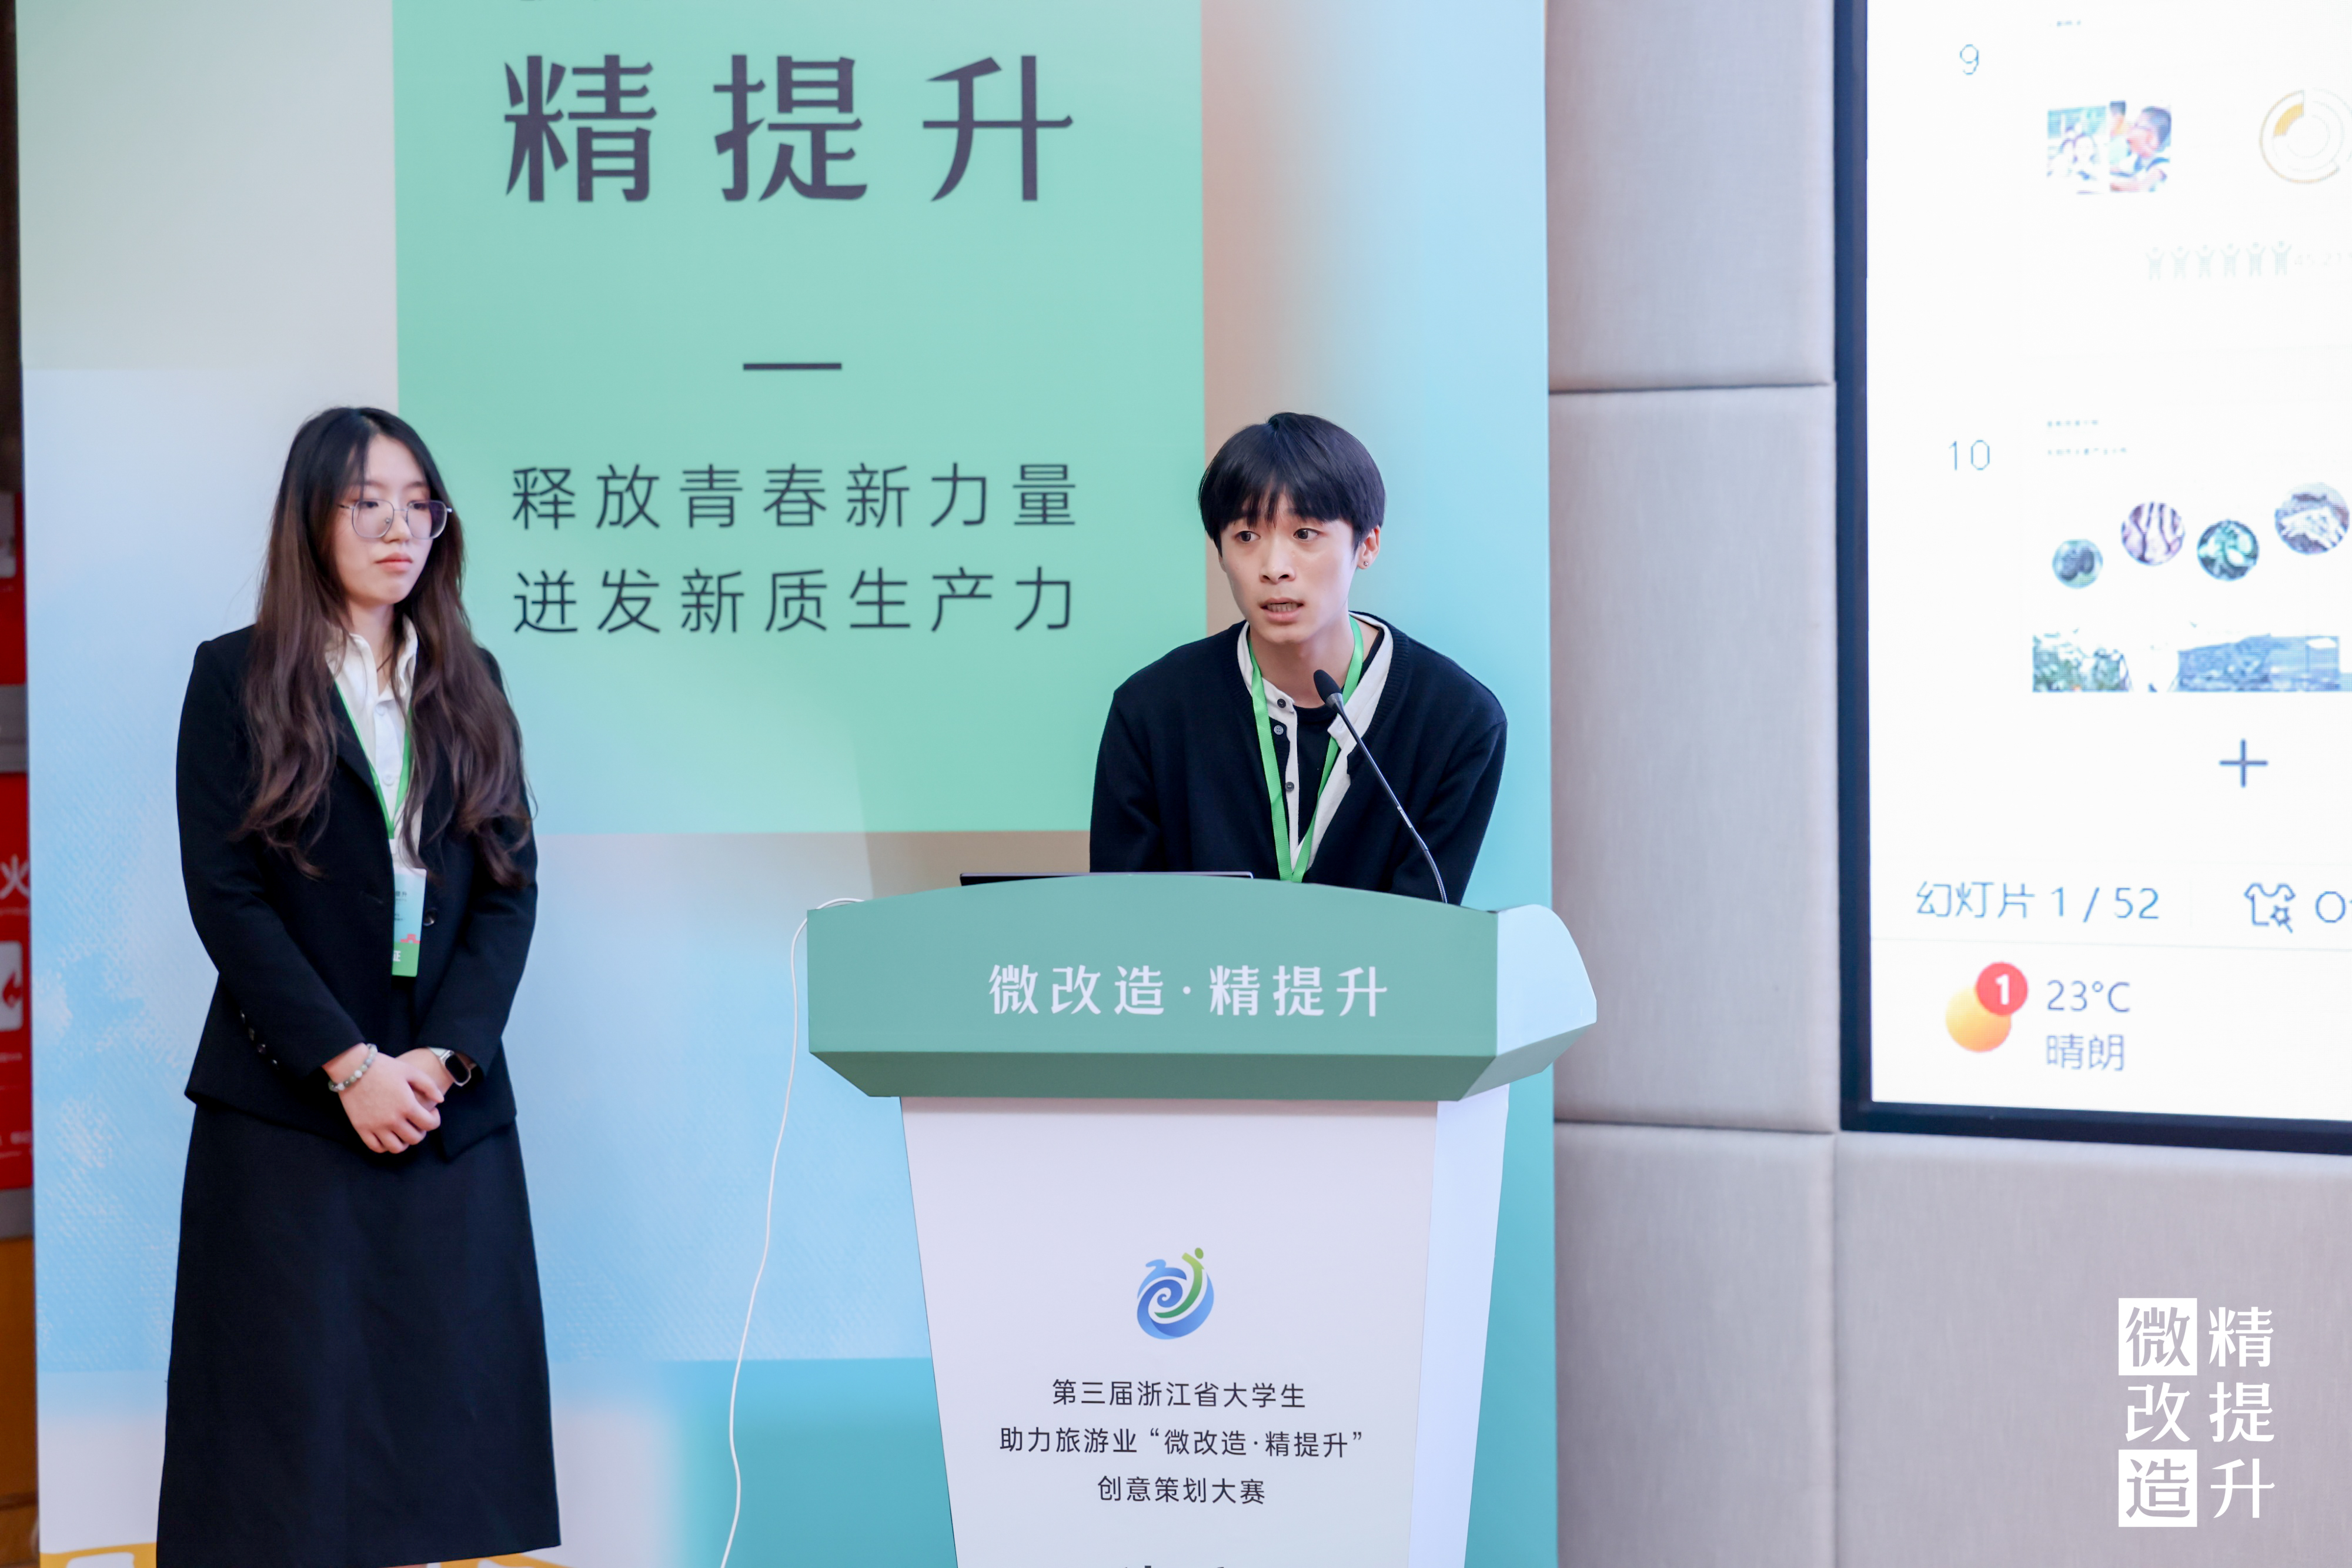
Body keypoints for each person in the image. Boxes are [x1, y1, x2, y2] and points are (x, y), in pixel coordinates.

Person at [162, 407, 559, 1567]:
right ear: (312, 517)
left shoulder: (470, 679)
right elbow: (226, 896)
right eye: (368, 502)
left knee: (442, 1431)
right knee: (285, 1441)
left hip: (441, 1096)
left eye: (420, 504)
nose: (400, 528)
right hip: (292, 1095)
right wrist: (346, 1066)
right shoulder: (235, 675)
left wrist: (442, 1057)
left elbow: (509, 889)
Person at [1091, 413, 1506, 900]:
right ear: (1220, 552)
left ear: (1367, 545)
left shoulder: (1458, 720)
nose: (1274, 568)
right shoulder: (1151, 711)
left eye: (1305, 534)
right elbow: (1124, 920)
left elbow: (1424, 927)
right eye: (1246, 536)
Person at [2111, 106, 2171, 192]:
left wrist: (2112, 184)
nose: (2130, 129)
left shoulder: (2161, 164)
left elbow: (2142, 187)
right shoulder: (2137, 159)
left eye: (2136, 126)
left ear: (2151, 139)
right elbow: (2115, 168)